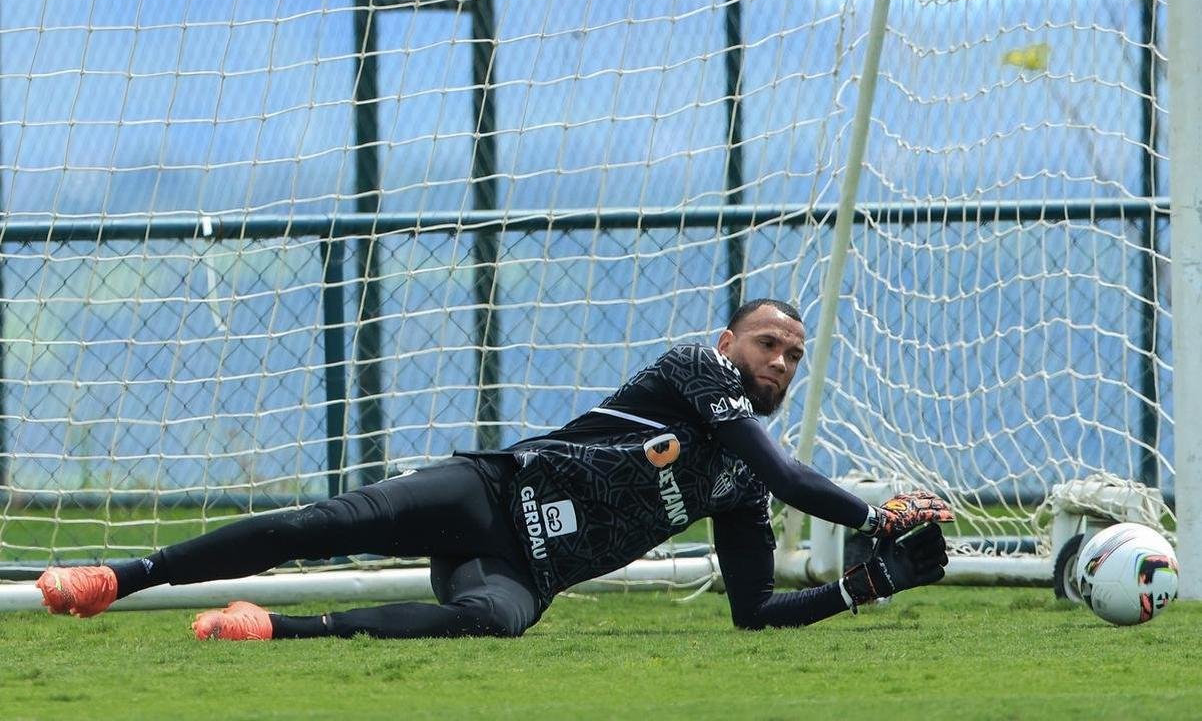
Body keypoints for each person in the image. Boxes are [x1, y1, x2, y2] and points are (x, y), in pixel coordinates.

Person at [36, 298, 953, 640]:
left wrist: (873, 583)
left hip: (525, 568)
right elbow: (795, 480)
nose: (781, 363)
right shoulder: (697, 370)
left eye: (795, 355)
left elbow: (755, 613)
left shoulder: (745, 482)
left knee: (493, 624)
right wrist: (876, 516)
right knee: (327, 524)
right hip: (490, 493)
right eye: (769, 344)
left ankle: (271, 630)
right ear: (729, 343)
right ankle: (118, 578)